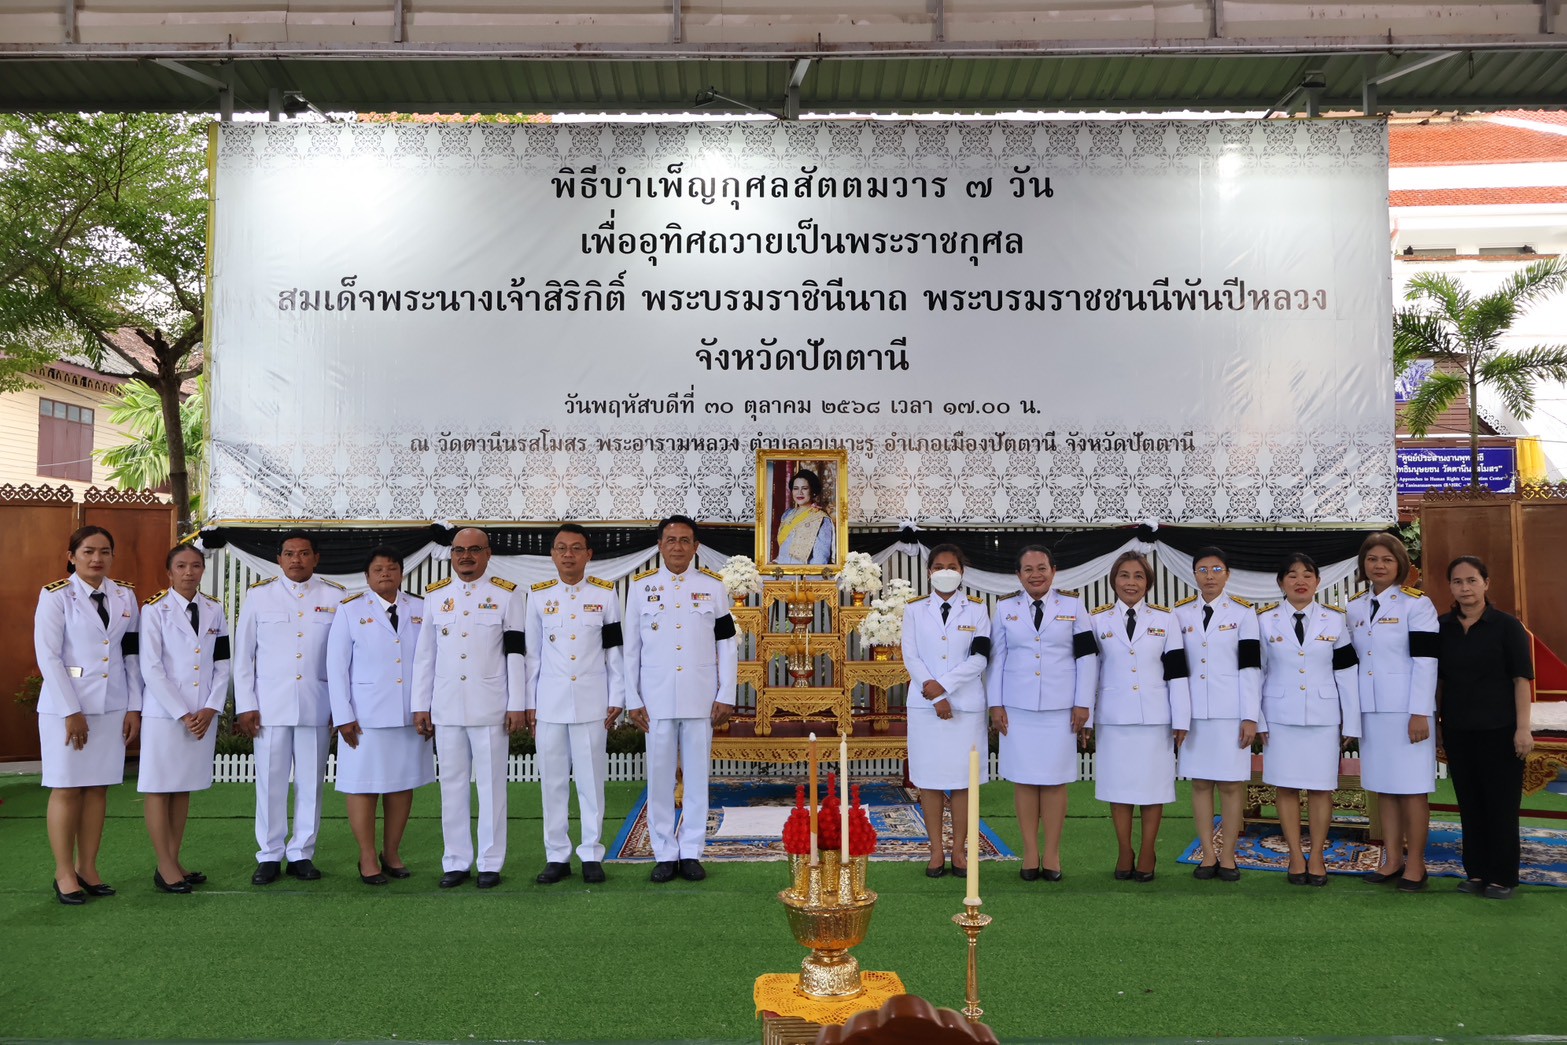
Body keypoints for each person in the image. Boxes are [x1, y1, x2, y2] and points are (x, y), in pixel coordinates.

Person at [412, 527, 528, 889]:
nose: (466, 556)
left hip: (490, 706)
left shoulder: (507, 595)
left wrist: (517, 703)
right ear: (451, 555)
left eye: (474, 550)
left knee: (492, 787)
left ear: (488, 554)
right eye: (459, 550)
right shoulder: (436, 597)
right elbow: (425, 655)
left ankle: (490, 862)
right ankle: (456, 861)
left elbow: (516, 654)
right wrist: (421, 704)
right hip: (447, 707)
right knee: (452, 787)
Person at [624, 515, 738, 883]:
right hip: (655, 698)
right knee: (659, 777)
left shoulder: (713, 587)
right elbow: (631, 649)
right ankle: (663, 852)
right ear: (660, 545)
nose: (677, 546)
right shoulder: (640, 588)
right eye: (671, 540)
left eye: (685, 540)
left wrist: (726, 692)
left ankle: (690, 851)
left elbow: (727, 645)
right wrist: (632, 697)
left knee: (697, 776)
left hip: (700, 695)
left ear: (696, 547)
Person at [33, 525, 142, 905]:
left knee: (98, 788)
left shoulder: (125, 595)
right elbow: (49, 657)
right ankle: (64, 873)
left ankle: (88, 868)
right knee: (66, 787)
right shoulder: (55, 596)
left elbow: (131, 654)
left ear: (112, 556)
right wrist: (71, 710)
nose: (97, 558)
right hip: (66, 707)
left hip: (112, 706)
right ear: (72, 556)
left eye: (104, 551)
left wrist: (134, 706)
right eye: (88, 551)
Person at [234, 530, 345, 885]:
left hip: (317, 703)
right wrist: (246, 704)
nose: (297, 559)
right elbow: (243, 656)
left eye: (304, 553)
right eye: (290, 553)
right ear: (279, 559)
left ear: (316, 558)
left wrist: (340, 707)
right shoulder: (259, 596)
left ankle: (302, 853)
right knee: (270, 783)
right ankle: (269, 854)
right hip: (269, 706)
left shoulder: (336, 596)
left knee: (311, 783)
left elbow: (342, 658)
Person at [986, 545, 1095, 882]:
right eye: (1028, 569)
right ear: (1018, 575)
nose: (1036, 575)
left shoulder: (1073, 606)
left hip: (1061, 709)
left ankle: (1052, 854)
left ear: (1054, 571)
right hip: (1017, 709)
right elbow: (996, 659)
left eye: (1042, 568)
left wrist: (1084, 704)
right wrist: (995, 704)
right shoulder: (1005, 608)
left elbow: (1086, 657)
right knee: (1024, 781)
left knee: (1054, 782)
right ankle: (1030, 853)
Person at [327, 546, 434, 886]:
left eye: (392, 568)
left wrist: (428, 706)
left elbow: (431, 661)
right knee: (363, 787)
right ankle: (367, 856)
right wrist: (343, 715)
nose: (385, 573)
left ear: (402, 573)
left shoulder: (421, 607)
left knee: (402, 785)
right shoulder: (350, 610)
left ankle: (392, 853)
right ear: (367, 576)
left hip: (409, 714)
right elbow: (336, 666)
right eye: (378, 569)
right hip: (365, 716)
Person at [525, 524, 626, 886]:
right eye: (561, 548)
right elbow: (532, 656)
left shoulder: (605, 594)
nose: (568, 554)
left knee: (590, 782)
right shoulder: (538, 596)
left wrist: (617, 696)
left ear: (589, 554)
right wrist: (529, 703)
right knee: (552, 783)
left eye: (576, 548)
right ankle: (556, 855)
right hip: (549, 704)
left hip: (591, 702)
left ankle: (591, 853)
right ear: (552, 554)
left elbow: (614, 651)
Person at [1257, 553, 1359, 887]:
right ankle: (1295, 856)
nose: (1300, 581)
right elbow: (1256, 672)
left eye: (1307, 575)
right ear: (1280, 582)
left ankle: (1316, 856)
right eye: (1292, 575)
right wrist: (1257, 718)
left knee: (1320, 788)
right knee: (1285, 786)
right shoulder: (1264, 621)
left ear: (1317, 581)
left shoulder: (1335, 620)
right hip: (1279, 717)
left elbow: (1347, 672)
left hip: (1323, 716)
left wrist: (1350, 721)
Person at [1087, 551, 1189, 883]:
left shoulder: (1166, 619)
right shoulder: (1096, 620)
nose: (1131, 583)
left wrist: (1181, 718)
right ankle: (1124, 850)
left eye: (1138, 576)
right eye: (1124, 575)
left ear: (1148, 583)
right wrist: (1086, 717)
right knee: (1118, 788)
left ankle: (1147, 851)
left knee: (1153, 788)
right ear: (1113, 580)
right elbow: (1088, 672)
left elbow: (1177, 670)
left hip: (1155, 717)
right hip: (1113, 717)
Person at [1437, 555, 1534, 900]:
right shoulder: (1442, 627)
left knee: (1501, 805)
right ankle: (1476, 872)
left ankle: (1502, 876)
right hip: (1459, 730)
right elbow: (1438, 680)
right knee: (1470, 803)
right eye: (1457, 582)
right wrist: (1436, 722)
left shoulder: (1507, 627)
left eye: (1472, 580)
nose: (1465, 588)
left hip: (1501, 729)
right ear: (1450, 587)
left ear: (1486, 584)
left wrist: (1523, 728)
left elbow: (1521, 680)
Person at [1346, 533, 1439, 892]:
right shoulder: (1355, 607)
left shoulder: (1417, 605)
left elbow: (1426, 661)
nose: (1379, 565)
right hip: (1372, 711)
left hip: (1406, 712)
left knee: (1413, 789)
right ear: (1363, 565)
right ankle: (1392, 859)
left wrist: (1419, 712)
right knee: (1384, 787)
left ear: (1400, 564)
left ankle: (1416, 864)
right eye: (1372, 559)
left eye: (1387, 559)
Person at [138, 544, 231, 894]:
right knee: (160, 787)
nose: (189, 572)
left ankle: (174, 860)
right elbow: (151, 667)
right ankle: (164, 865)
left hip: (202, 713)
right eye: (181, 566)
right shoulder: (154, 609)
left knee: (182, 788)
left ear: (203, 570)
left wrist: (211, 707)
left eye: (195, 565)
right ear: (169, 572)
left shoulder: (214, 609)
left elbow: (222, 663)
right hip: (166, 714)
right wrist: (182, 713)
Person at [1172, 546, 1261, 883]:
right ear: (1194, 575)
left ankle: (1228, 855)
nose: (1209, 576)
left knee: (1231, 785)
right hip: (1194, 713)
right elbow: (1176, 669)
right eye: (1203, 570)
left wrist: (1250, 716)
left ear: (1228, 574)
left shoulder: (1244, 613)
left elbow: (1251, 668)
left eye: (1216, 569)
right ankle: (1208, 854)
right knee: (1200, 783)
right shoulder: (1179, 613)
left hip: (1230, 713)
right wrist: (1179, 716)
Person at [902, 543, 990, 878]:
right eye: (938, 567)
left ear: (962, 571)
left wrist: (945, 687)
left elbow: (980, 657)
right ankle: (936, 849)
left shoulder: (977, 610)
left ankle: (959, 851)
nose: (945, 572)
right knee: (930, 781)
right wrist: (934, 694)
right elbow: (911, 656)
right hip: (925, 706)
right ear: (929, 572)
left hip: (965, 708)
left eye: (952, 566)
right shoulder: (914, 610)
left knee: (963, 781)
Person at [773, 467, 836, 566]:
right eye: (796, 488)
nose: (799, 493)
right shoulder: (787, 514)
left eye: (805, 488)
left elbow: (820, 559)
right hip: (782, 571)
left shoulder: (821, 518)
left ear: (813, 491)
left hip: (804, 573)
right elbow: (784, 550)